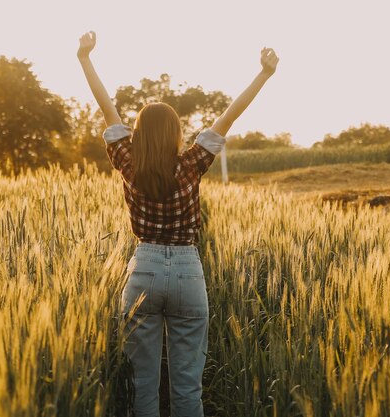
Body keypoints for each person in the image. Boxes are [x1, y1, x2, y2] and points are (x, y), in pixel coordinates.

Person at [77, 31, 279, 417]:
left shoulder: (127, 162)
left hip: (144, 270)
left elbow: (107, 108)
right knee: (188, 391)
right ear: (175, 135)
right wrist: (264, 75)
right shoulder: (191, 164)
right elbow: (229, 116)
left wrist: (85, 59)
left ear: (137, 134)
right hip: (188, 271)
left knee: (143, 389)